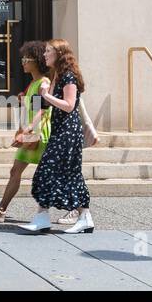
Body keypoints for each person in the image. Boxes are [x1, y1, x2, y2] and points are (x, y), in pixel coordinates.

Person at [21, 38, 94, 234]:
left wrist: (46, 96)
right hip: (59, 131)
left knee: (55, 173)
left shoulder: (68, 77)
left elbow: (69, 106)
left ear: (59, 54)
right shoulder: (56, 76)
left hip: (68, 133)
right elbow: (45, 107)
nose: (44, 55)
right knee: (55, 174)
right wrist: (29, 127)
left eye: (48, 52)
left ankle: (80, 216)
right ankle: (44, 217)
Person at [0, 41, 50, 222]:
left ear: (37, 61)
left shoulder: (43, 83)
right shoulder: (34, 83)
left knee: (53, 173)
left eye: (27, 58)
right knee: (15, 170)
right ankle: (1, 210)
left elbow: (43, 110)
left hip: (40, 134)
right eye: (23, 58)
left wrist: (29, 128)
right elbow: (33, 107)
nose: (23, 62)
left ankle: (79, 209)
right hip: (32, 132)